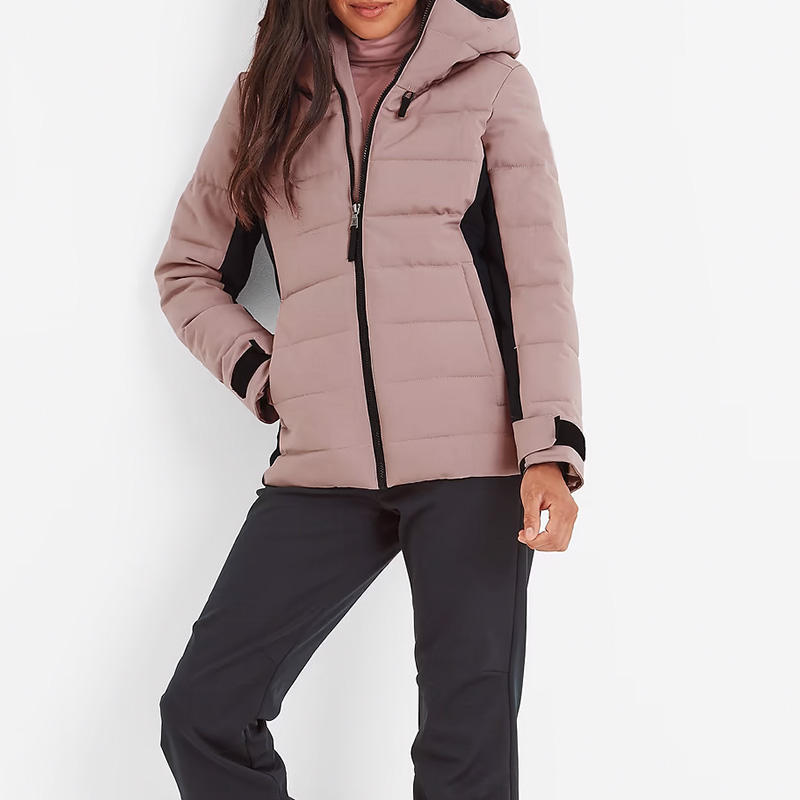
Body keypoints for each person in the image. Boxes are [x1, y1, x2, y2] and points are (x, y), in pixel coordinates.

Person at [153, 0, 585, 797]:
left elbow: (538, 282)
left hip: (473, 461)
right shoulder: (266, 97)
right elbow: (187, 272)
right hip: (322, 466)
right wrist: (269, 375)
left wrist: (549, 450)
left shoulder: (492, 86)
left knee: (464, 751)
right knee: (205, 710)